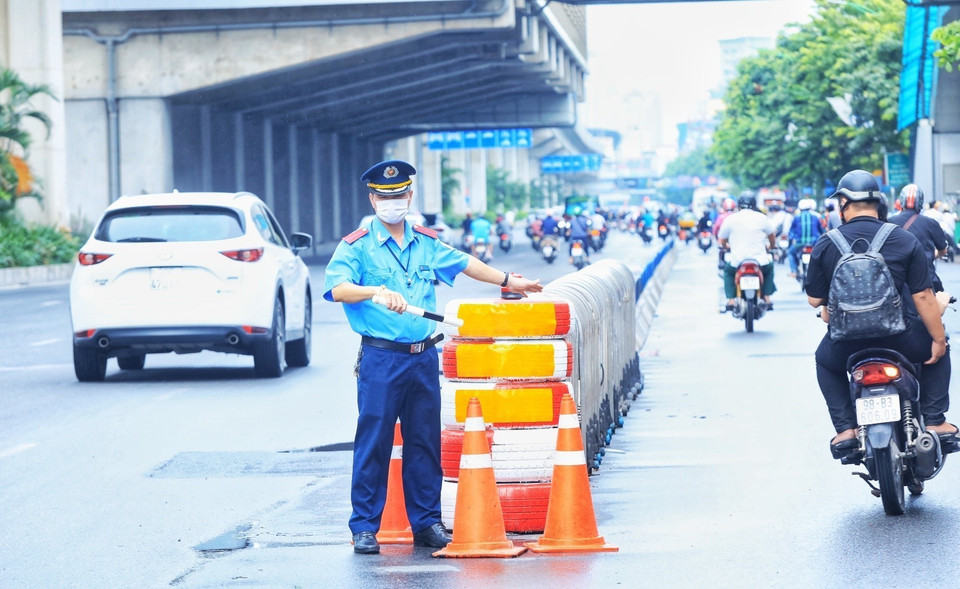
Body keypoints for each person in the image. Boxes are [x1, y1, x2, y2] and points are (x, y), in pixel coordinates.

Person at [323, 159, 543, 555]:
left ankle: (426, 523)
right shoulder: (355, 245)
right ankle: (364, 527)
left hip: (423, 358)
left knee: (425, 442)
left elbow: (465, 263)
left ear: (409, 196)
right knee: (373, 441)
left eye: (398, 195)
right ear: (373, 199)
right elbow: (338, 288)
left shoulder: (426, 241)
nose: (391, 202)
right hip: (381, 358)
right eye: (383, 196)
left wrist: (510, 280)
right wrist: (373, 291)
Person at [804, 170, 955, 461]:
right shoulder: (903, 239)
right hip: (900, 339)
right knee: (938, 352)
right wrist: (937, 340)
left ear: (843, 203)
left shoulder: (827, 242)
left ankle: (846, 430)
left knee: (824, 362)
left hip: (846, 343)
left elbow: (814, 300)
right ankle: (935, 420)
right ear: (880, 203)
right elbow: (923, 297)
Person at [717, 193, 777, 311]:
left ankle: (731, 300)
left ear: (739, 206)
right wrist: (771, 246)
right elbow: (772, 236)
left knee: (728, 273)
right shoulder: (762, 218)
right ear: (754, 206)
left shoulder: (731, 219)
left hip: (737, 261)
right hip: (760, 261)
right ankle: (766, 297)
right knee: (769, 269)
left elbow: (722, 239)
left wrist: (725, 246)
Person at [889, 184, 948, 292]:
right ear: (920, 202)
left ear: (901, 201)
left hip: (896, 279)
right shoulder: (930, 223)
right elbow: (943, 250)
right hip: (926, 278)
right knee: (940, 298)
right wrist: (933, 254)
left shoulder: (889, 222)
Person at [787, 198, 824, 277]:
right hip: (814, 244)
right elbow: (822, 231)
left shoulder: (796, 218)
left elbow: (791, 232)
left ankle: (794, 271)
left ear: (800, 208)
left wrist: (792, 239)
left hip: (800, 244)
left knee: (790, 253)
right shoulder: (815, 217)